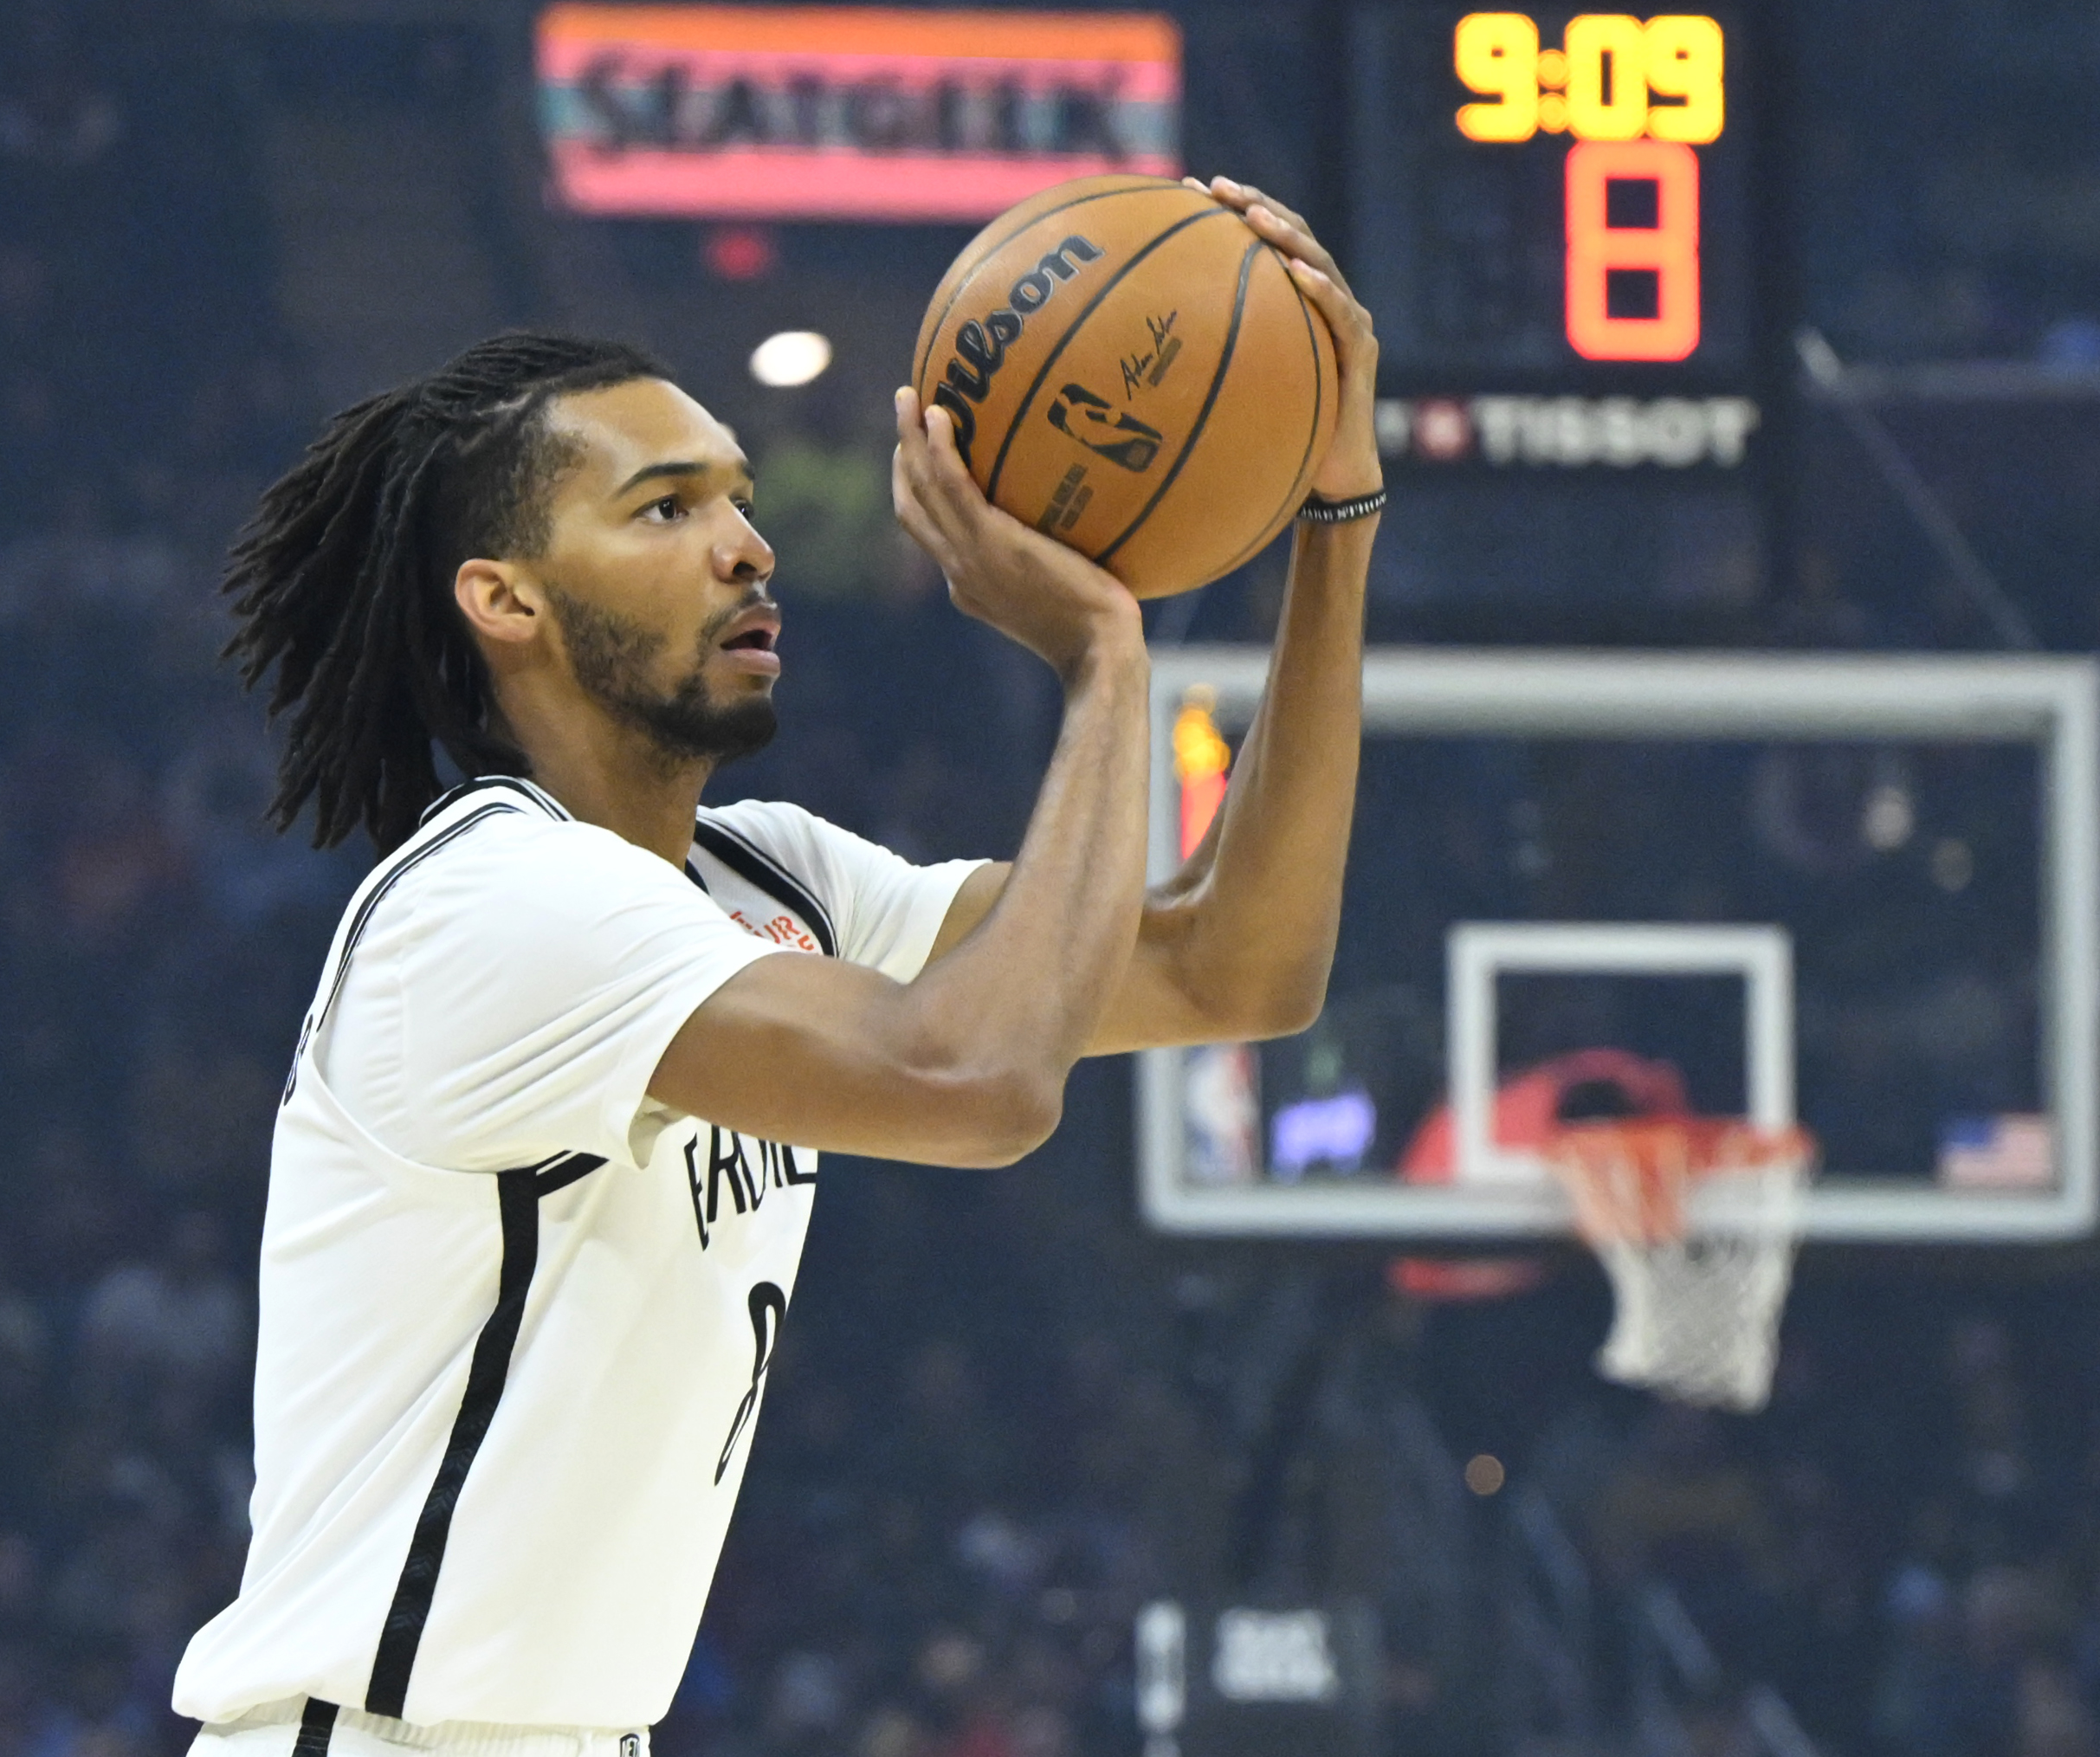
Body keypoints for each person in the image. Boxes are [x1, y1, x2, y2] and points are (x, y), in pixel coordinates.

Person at [171, 178, 1382, 1754]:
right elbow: (981, 1079)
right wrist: (1105, 661)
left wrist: (1336, 522)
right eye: (665, 508)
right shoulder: (495, 906)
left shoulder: (769, 875)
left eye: (737, 499)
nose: (747, 546)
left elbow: (1238, 972)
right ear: (506, 599)